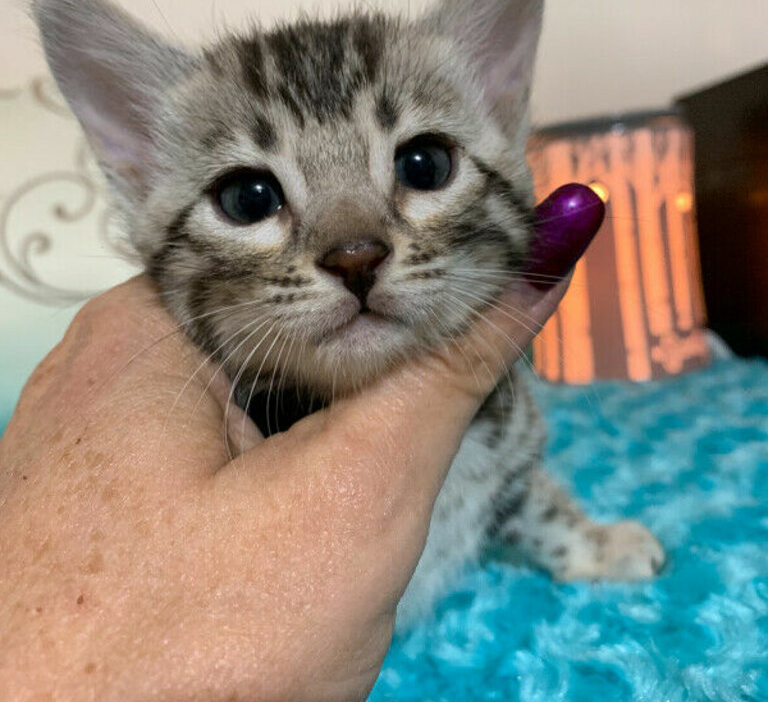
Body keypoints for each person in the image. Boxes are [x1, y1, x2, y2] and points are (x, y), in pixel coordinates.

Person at [0, 185, 601, 701]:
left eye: (422, 167)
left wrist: (582, 547)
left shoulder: (502, 409)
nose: (354, 251)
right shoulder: (237, 434)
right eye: (251, 199)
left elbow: (513, 487)